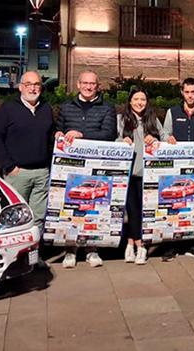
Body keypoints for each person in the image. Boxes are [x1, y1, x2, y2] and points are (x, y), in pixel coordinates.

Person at [56, 70, 116, 269]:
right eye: (85, 83)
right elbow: (59, 130)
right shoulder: (66, 107)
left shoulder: (107, 108)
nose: (88, 87)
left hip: (96, 168)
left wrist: (81, 134)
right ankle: (71, 249)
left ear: (98, 86)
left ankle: (91, 249)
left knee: (93, 209)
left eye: (92, 83)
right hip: (70, 169)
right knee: (71, 208)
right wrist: (59, 134)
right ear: (78, 84)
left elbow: (108, 134)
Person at [0, 71, 55, 230]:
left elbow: (50, 134)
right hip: (18, 174)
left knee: (38, 218)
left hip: (41, 173)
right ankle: (17, 254)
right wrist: (9, 166)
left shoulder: (46, 108)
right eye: (28, 84)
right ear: (20, 87)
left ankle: (35, 253)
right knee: (15, 218)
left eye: (37, 84)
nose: (32, 88)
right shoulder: (8, 108)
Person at [160, 77, 194, 261]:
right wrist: (168, 138)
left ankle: (193, 244)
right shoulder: (172, 112)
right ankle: (171, 246)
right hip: (176, 167)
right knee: (174, 205)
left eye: (193, 92)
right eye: (187, 92)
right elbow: (164, 133)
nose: (190, 96)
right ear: (182, 93)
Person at [117, 86, 167, 265]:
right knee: (132, 210)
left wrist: (156, 139)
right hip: (129, 173)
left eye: (143, 100)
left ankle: (130, 243)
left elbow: (165, 137)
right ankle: (141, 245)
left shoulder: (152, 120)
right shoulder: (121, 119)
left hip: (149, 174)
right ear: (130, 101)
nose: (139, 103)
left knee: (143, 211)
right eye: (136, 99)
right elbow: (111, 140)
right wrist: (121, 141)